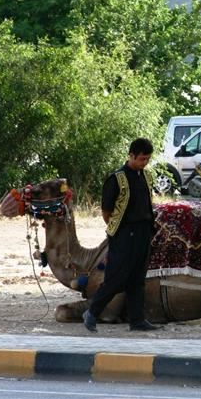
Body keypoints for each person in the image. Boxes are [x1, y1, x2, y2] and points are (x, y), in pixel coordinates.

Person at [83, 137, 161, 332]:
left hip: (144, 232)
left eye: (147, 159)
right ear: (131, 155)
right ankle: (92, 312)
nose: (144, 163)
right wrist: (120, 232)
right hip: (125, 233)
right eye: (141, 159)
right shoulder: (117, 179)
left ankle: (137, 320)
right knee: (117, 277)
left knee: (137, 278)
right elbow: (106, 212)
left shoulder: (146, 176)